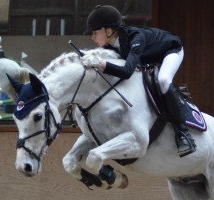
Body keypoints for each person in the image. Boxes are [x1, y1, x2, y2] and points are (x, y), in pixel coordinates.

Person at [81, 5, 196, 157]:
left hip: (170, 50)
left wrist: (100, 64)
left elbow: (127, 72)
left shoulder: (136, 38)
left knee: (163, 80)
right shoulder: (111, 46)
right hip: (149, 57)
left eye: (95, 32)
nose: (92, 37)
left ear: (108, 31)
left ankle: (183, 133)